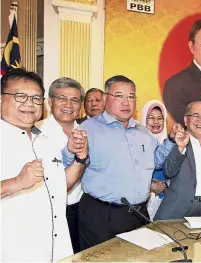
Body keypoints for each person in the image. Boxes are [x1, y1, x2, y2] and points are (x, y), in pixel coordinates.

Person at [62, 75, 179, 250]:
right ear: (105, 98)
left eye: (131, 97)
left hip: (139, 214)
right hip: (102, 215)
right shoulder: (88, 129)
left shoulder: (143, 131)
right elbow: (68, 163)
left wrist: (171, 140)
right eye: (119, 96)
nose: (126, 102)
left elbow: (155, 162)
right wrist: (70, 149)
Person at [1, 68, 87, 261]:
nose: (29, 104)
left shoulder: (45, 142)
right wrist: (17, 182)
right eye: (20, 96)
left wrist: (80, 159)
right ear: (1, 99)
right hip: (13, 253)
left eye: (35, 98)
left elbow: (58, 187)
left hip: (56, 249)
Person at [37, 77, 85, 253]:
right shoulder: (36, 132)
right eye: (61, 98)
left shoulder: (88, 130)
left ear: (80, 105)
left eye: (74, 100)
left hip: (83, 212)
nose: (68, 104)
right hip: (49, 212)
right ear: (50, 102)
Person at [141, 100, 168, 219]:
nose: (155, 122)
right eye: (151, 117)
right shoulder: (136, 142)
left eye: (160, 118)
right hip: (142, 200)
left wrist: (166, 185)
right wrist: (149, 185)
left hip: (167, 199)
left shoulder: (172, 143)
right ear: (144, 119)